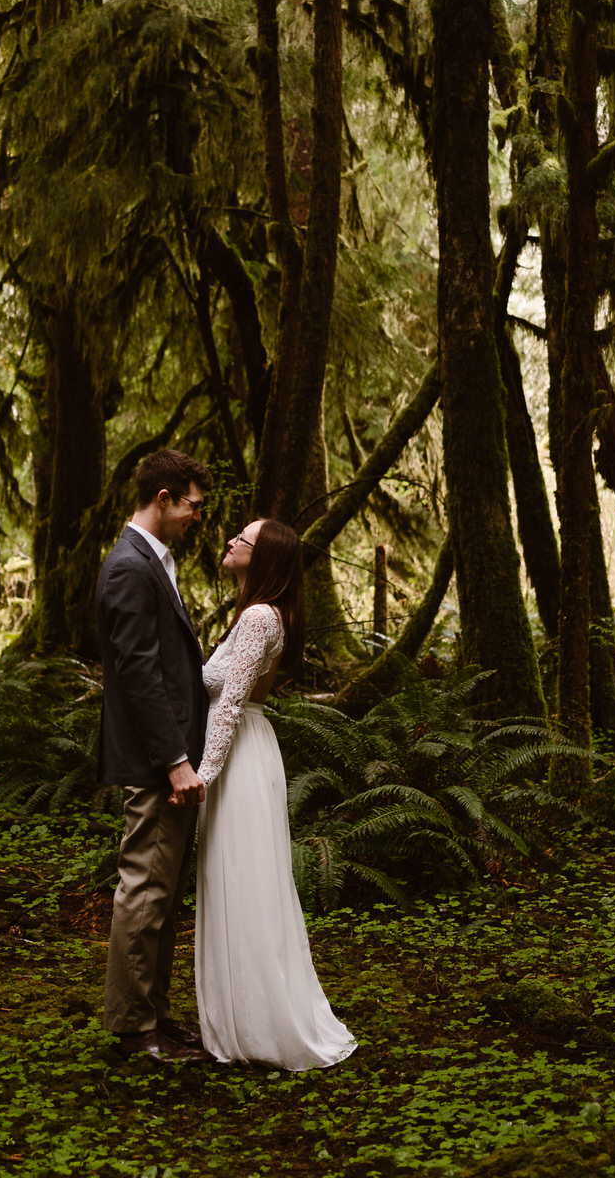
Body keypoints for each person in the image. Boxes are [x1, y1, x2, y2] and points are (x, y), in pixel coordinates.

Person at [192, 517, 357, 1071]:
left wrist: (204, 776)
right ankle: (238, 1014)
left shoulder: (261, 617)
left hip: (237, 755)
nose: (232, 541)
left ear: (264, 558)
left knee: (243, 881)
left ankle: (258, 1024)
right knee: (236, 879)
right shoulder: (256, 613)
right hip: (244, 749)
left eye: (245, 539)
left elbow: (231, 701)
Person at [96, 448, 214, 1063]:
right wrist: (174, 759)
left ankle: (156, 1016)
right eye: (194, 504)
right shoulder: (129, 567)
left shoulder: (153, 562)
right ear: (164, 498)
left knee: (163, 897)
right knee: (143, 889)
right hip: (154, 762)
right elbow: (139, 672)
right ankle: (132, 1029)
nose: (200, 516)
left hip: (170, 759)